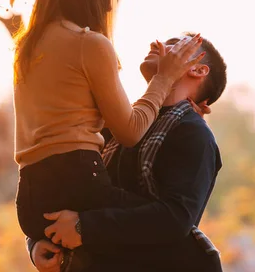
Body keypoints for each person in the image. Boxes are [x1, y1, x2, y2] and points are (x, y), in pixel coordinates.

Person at [13, 0, 205, 248]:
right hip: (77, 182)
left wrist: (35, 242)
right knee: (175, 230)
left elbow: (78, 122)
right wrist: (164, 78)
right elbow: (129, 132)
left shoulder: (27, 48)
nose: (107, 5)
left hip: (30, 199)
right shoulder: (89, 43)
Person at [28, 33, 227, 272]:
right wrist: (38, 241)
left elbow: (175, 218)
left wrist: (86, 227)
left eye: (174, 45)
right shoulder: (115, 124)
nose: (156, 43)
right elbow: (71, 185)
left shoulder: (193, 134)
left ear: (198, 70)